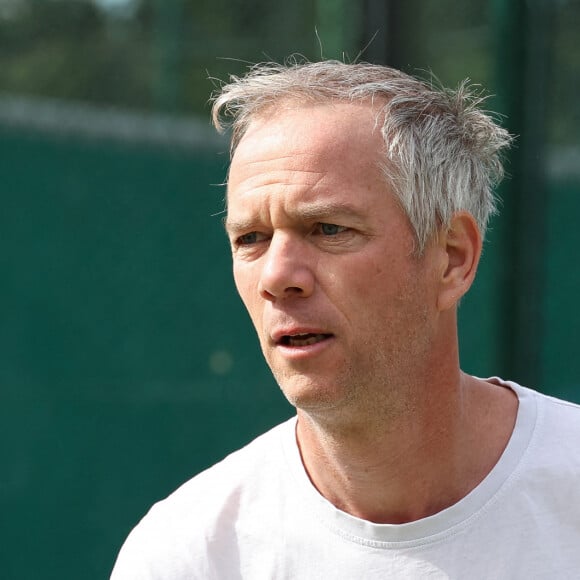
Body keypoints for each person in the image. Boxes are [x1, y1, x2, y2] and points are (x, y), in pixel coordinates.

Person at [111, 60, 580, 579]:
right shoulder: (189, 553)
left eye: (328, 229)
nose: (278, 276)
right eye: (251, 238)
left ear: (452, 258)